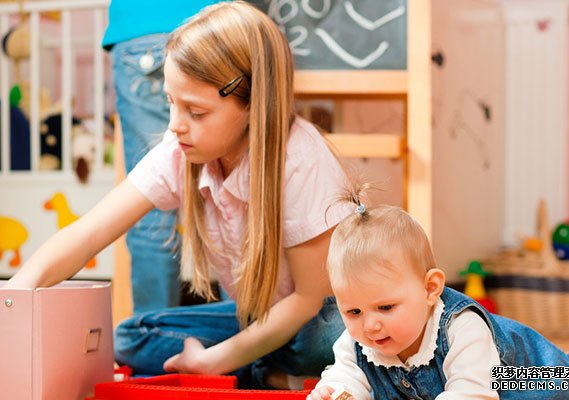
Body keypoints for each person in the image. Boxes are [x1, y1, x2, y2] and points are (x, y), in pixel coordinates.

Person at [7, 1, 351, 389]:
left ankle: (259, 369)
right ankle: (267, 374)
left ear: (254, 103)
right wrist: (13, 297)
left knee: (325, 338)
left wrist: (216, 359)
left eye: (196, 112)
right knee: (130, 336)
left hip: (314, 318)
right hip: (257, 319)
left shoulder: (300, 161)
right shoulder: (180, 149)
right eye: (171, 102)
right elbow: (89, 233)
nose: (175, 126)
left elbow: (308, 301)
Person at [308, 186, 569, 400]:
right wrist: (338, 392)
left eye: (385, 308)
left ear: (430, 289)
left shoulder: (462, 329)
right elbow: (347, 375)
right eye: (353, 312)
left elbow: (470, 394)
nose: (369, 325)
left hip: (513, 375)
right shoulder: (358, 339)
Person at [103, 0, 220, 313]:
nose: (177, 125)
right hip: (215, 25)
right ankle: (249, 334)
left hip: (141, 25)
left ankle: (149, 330)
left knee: (149, 212)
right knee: (234, 193)